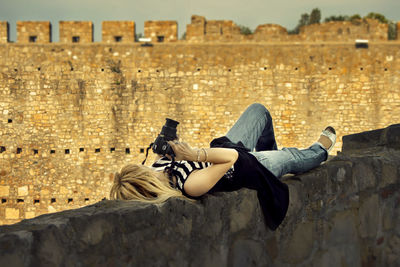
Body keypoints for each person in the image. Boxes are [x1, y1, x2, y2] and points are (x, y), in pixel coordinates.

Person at [110, 103, 336, 230]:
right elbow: (231, 159)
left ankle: (271, 151)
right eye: (147, 172)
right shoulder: (190, 185)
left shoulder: (160, 170)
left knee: (259, 112)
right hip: (247, 166)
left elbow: (214, 154)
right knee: (293, 158)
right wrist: (192, 154)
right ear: (148, 184)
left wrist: (172, 147)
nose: (151, 168)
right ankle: (320, 150)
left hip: (225, 147)